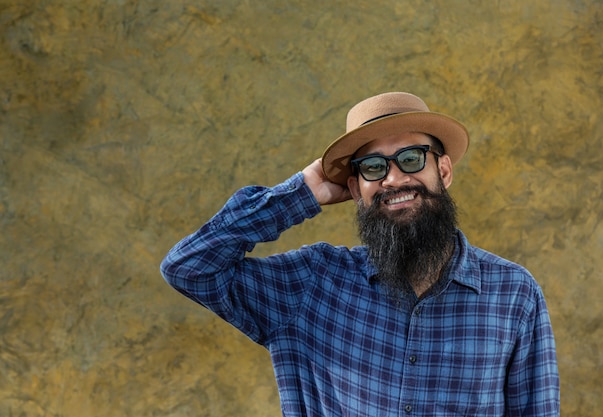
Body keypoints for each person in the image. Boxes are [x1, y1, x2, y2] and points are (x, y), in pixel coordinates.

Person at [160, 92, 560, 416]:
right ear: (355, 190)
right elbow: (189, 267)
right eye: (372, 167)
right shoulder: (311, 283)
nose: (393, 178)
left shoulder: (513, 294)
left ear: (445, 171)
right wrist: (303, 192)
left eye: (410, 158)